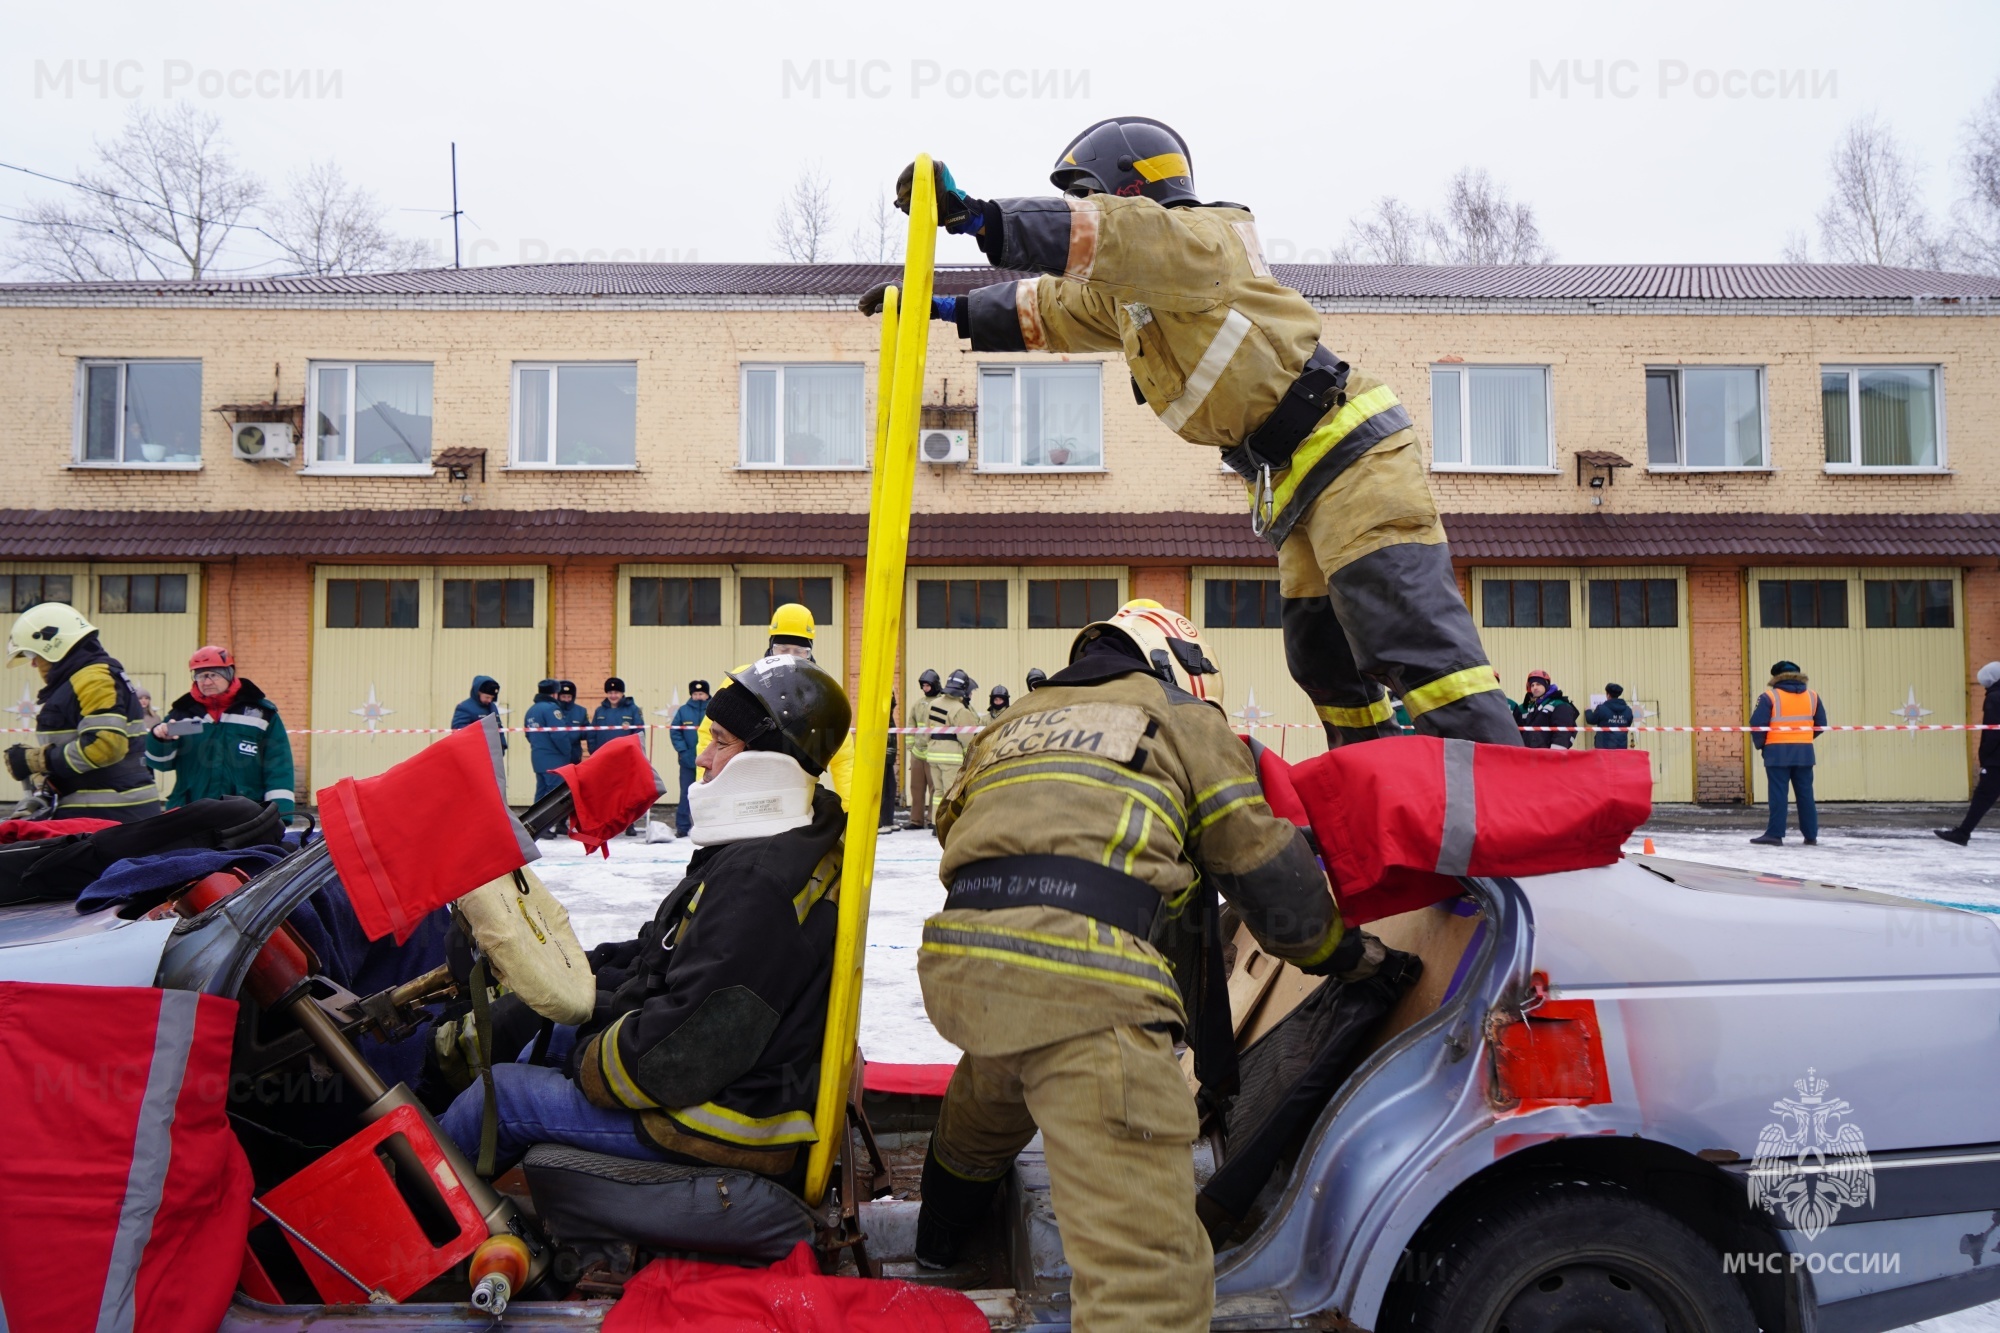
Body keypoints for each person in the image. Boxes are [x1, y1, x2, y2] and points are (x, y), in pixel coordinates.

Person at [865, 122, 1516, 751]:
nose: (1080, 208)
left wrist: (979, 217)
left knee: (1406, 629)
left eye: (1086, 194)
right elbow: (1051, 310)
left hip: (1351, 454)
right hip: (1295, 477)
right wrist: (944, 308)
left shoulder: (1202, 241)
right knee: (1320, 655)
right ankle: (1374, 784)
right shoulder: (1133, 293)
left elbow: (1118, 237)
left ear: (1129, 190)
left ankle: (1502, 796)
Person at [914, 600, 1396, 1333]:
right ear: (1176, 662)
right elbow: (1267, 873)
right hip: (1083, 982)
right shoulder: (1183, 720)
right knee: (1150, 1274)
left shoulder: (1010, 723)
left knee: (992, 1092)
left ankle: (938, 1246)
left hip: (964, 968)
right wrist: (1343, 953)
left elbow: (968, 828)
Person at [439, 655, 852, 1183]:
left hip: (726, 1118)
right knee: (553, 1032)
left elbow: (681, 1053)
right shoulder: (771, 847)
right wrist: (590, 975)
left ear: (769, 761)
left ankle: (401, 1220)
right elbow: (671, 952)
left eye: (721, 742)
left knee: (501, 1098)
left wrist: (586, 1054)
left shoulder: (758, 881)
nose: (703, 759)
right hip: (738, 1079)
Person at [3, 603, 161, 822]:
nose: (32, 663)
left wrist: (38, 761)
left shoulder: (93, 678)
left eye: (32, 653)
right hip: (103, 815)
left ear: (54, 645)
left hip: (108, 817)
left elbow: (105, 746)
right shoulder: (82, 678)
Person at [697, 604, 855, 804]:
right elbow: (710, 733)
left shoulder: (817, 693)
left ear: (810, 652)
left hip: (791, 799)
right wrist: (707, 786)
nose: (790, 655)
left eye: (800, 650)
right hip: (737, 793)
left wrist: (851, 810)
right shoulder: (744, 680)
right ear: (771, 647)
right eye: (782, 648)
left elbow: (843, 756)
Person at [143, 645, 297, 820]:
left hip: (246, 814)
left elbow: (279, 766)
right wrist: (160, 739)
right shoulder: (182, 714)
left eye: (213, 675)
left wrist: (281, 814)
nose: (206, 682)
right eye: (200, 676)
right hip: (190, 814)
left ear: (229, 673)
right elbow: (161, 764)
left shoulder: (261, 714)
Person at [1749, 660, 1826, 846]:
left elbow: (1757, 726)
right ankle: (1810, 835)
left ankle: (1775, 834)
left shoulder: (1769, 697)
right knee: (1806, 795)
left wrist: (1763, 746)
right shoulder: (1813, 696)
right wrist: (1804, 738)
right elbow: (1821, 725)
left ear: (1776, 677)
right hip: (1805, 752)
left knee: (1778, 795)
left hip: (1777, 752)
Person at [1938, 662, 2000, 845]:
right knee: (1985, 795)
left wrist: (1985, 756)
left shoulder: (1995, 698)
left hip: (1997, 759)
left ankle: (1963, 833)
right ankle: (1963, 832)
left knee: (1983, 796)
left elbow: (1993, 731)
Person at [921, 669, 982, 824]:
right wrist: (970, 758)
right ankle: (949, 824)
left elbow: (926, 730)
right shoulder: (960, 710)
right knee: (951, 792)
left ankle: (936, 823)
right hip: (951, 757)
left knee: (938, 792)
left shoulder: (933, 704)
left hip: (933, 754)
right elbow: (967, 739)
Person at [669, 680, 709, 838]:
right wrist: (683, 751)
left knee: (710, 793)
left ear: (707, 694)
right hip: (688, 760)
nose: (698, 697)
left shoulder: (715, 709)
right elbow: (675, 732)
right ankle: (682, 827)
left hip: (710, 762)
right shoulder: (683, 711)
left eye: (701, 694)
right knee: (686, 793)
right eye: (695, 694)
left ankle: (708, 825)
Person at [524, 679, 571, 804]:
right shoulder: (552, 709)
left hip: (538, 759)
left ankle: (533, 823)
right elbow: (559, 735)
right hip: (554, 760)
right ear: (554, 693)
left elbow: (528, 735)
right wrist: (567, 752)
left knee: (541, 793)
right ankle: (547, 824)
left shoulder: (531, 710)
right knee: (553, 797)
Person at [905, 668, 942, 830]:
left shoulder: (941, 703)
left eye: (928, 685)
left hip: (934, 753)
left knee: (936, 789)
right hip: (918, 754)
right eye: (923, 686)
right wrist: (910, 747)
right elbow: (910, 725)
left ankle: (932, 819)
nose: (925, 689)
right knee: (916, 788)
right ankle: (916, 820)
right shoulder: (918, 704)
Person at [1515, 670, 1578, 750]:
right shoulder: (1535, 706)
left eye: (1538, 684)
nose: (1535, 687)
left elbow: (1562, 733)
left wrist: (1555, 755)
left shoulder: (1559, 705)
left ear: (1546, 685)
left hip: (1549, 757)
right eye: (1532, 685)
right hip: (1532, 755)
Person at [451, 676, 505, 752]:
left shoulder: (492, 707)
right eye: (487, 697)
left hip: (493, 753)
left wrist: (503, 745)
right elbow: (458, 729)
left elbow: (498, 726)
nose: (489, 700)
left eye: (492, 698)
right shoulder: (464, 707)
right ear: (478, 693)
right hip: (473, 752)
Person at [590, 677, 644, 752]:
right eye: (610, 693)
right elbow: (592, 734)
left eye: (616, 692)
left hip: (625, 754)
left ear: (622, 693)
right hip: (603, 755)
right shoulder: (599, 711)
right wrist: (593, 751)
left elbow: (639, 733)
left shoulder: (633, 710)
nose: (613, 696)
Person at [1584, 683, 1633, 750]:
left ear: (1608, 695)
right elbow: (1628, 724)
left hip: (1604, 747)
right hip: (1621, 747)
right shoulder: (1628, 710)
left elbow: (1591, 720)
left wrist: (1588, 711)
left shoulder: (1601, 708)